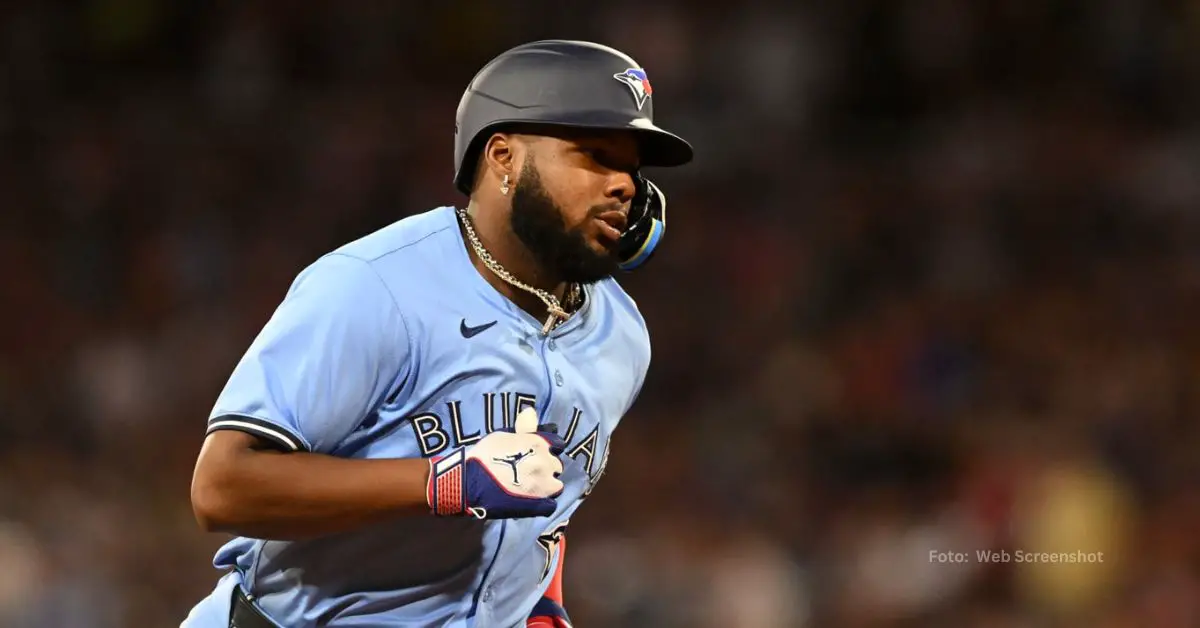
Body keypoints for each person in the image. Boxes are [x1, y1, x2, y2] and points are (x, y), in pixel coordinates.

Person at [181, 39, 692, 627]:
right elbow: (222, 488)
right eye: (596, 155)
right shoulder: (375, 288)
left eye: (631, 167)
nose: (625, 185)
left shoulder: (622, 336)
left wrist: (543, 606)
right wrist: (443, 482)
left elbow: (546, 508)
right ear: (503, 157)